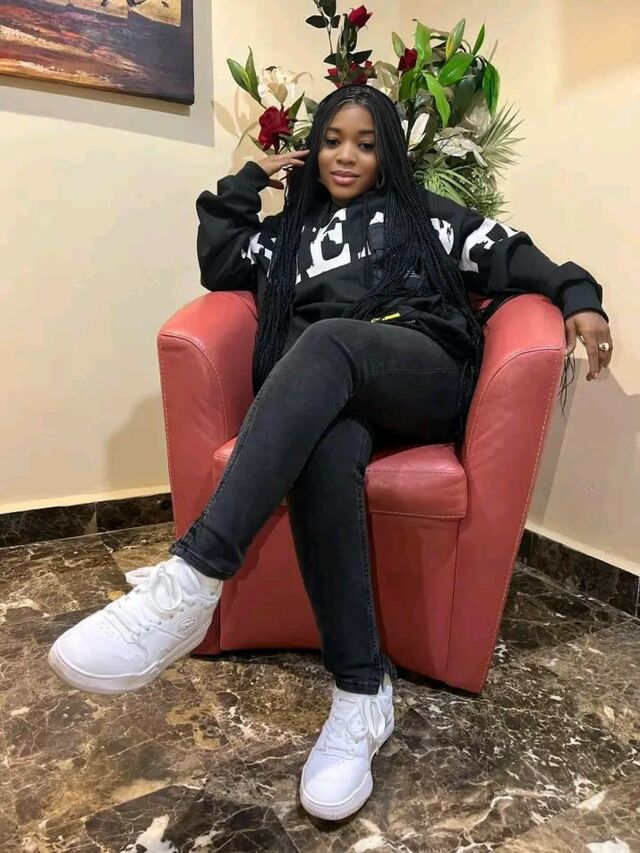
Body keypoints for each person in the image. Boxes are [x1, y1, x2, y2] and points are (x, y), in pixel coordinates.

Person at [48, 85, 613, 821]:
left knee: (328, 340)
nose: (347, 156)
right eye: (333, 140)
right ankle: (360, 691)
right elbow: (220, 260)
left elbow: (513, 255)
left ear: (389, 154)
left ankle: (192, 578)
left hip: (422, 370)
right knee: (325, 444)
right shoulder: (287, 236)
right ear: (312, 149)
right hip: (334, 393)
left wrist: (580, 296)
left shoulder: (424, 216)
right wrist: (248, 180)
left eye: (367, 144)